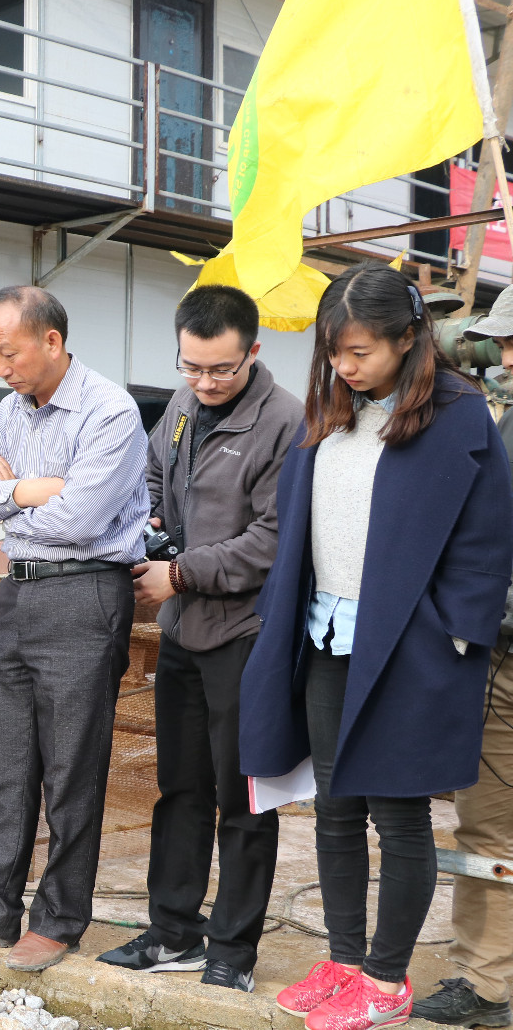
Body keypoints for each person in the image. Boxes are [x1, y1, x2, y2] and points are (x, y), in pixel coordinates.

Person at [241, 263, 513, 1030]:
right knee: (334, 807)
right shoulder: (338, 405)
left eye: (360, 351)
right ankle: (344, 960)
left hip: (406, 645)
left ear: (408, 337)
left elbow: (487, 542)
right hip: (327, 632)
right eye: (334, 350)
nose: (343, 365)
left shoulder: (459, 414)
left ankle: (386, 980)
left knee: (399, 820)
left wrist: (451, 637)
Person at [0, 284, 146, 973]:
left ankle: (60, 918)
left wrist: (11, 497)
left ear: (50, 340)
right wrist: (33, 490)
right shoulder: (8, 411)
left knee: (72, 768)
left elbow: (79, 522)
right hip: (15, 598)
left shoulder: (110, 410)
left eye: (8, 353)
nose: (1, 369)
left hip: (84, 597)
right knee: (1, 759)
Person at [94, 285, 301, 993]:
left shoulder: (285, 424)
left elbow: (271, 540)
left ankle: (233, 950)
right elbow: (154, 475)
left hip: (247, 635)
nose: (204, 383)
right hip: (184, 631)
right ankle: (172, 930)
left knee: (245, 798)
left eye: (221, 370)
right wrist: (150, 533)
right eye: (191, 367)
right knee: (179, 787)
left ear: (253, 353)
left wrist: (179, 573)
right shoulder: (182, 408)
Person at [410, 292, 513, 1029]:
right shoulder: (496, 422)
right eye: (499, 345)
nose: (504, 359)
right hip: (501, 661)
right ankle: (487, 981)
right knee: (489, 829)